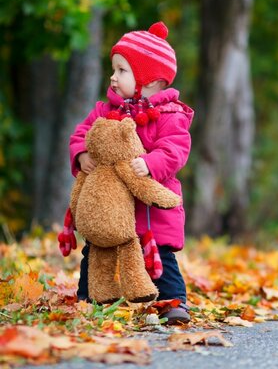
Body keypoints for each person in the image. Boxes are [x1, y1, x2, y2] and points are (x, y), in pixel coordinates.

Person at [68, 22, 194, 325]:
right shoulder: (105, 111)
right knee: (95, 250)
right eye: (114, 69)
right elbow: (80, 134)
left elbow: (176, 149)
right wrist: (82, 154)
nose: (113, 77)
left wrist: (151, 164)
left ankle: (172, 303)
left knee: (160, 258)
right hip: (111, 207)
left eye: (122, 71)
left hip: (152, 209)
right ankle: (90, 298)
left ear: (151, 80)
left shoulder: (169, 115)